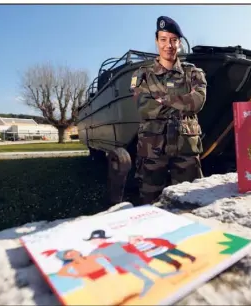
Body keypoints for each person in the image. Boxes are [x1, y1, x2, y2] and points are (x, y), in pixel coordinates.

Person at [130, 16, 208, 205]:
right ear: (157, 41)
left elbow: (197, 102)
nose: (169, 45)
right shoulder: (141, 75)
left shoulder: (194, 73)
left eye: (173, 40)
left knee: (190, 202)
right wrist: (181, 103)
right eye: (164, 40)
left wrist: (162, 100)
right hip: (152, 151)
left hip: (186, 152)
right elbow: (144, 107)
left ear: (179, 43)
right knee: (150, 203)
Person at [84, 229, 180, 297]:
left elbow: (128, 244)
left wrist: (133, 242)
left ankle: (160, 275)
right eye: (93, 240)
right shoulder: (97, 250)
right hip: (121, 262)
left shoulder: (114, 244)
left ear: (102, 239)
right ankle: (148, 281)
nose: (94, 242)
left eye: (96, 239)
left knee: (144, 266)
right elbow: (90, 257)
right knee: (136, 271)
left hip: (130, 257)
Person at [129, 235, 196, 270]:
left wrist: (168, 244)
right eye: (134, 240)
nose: (136, 240)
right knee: (167, 259)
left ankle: (190, 257)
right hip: (153, 253)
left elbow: (159, 241)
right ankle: (178, 264)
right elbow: (136, 253)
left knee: (175, 252)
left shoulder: (147, 239)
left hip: (161, 248)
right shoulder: (134, 246)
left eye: (137, 239)